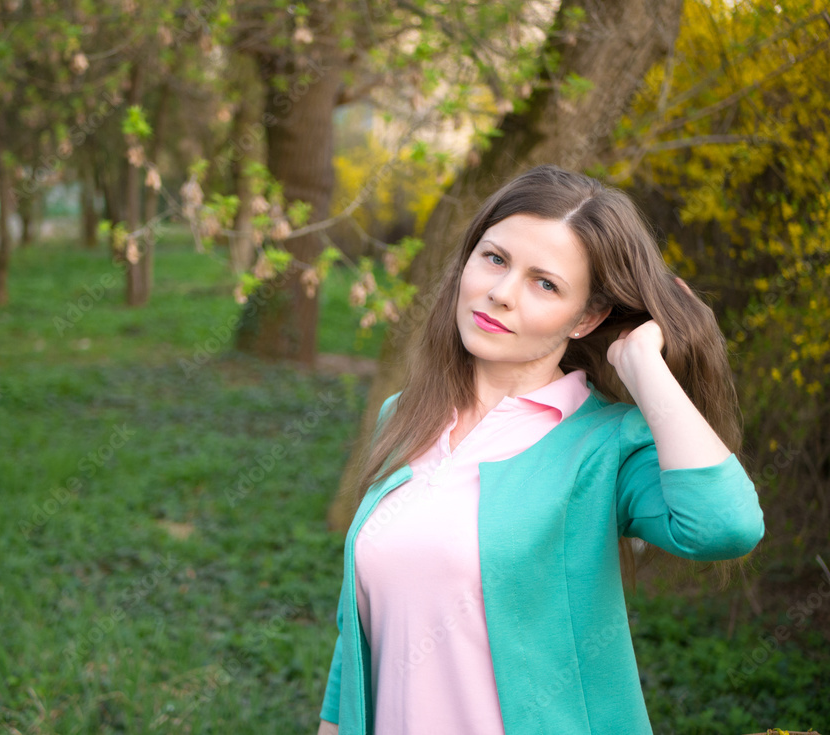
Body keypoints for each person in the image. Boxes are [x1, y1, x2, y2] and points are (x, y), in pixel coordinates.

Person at [315, 165, 765, 735]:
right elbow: (361, 628)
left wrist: (644, 364)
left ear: (587, 317)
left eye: (544, 283)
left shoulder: (605, 445)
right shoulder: (403, 415)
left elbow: (725, 526)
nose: (500, 293)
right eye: (495, 259)